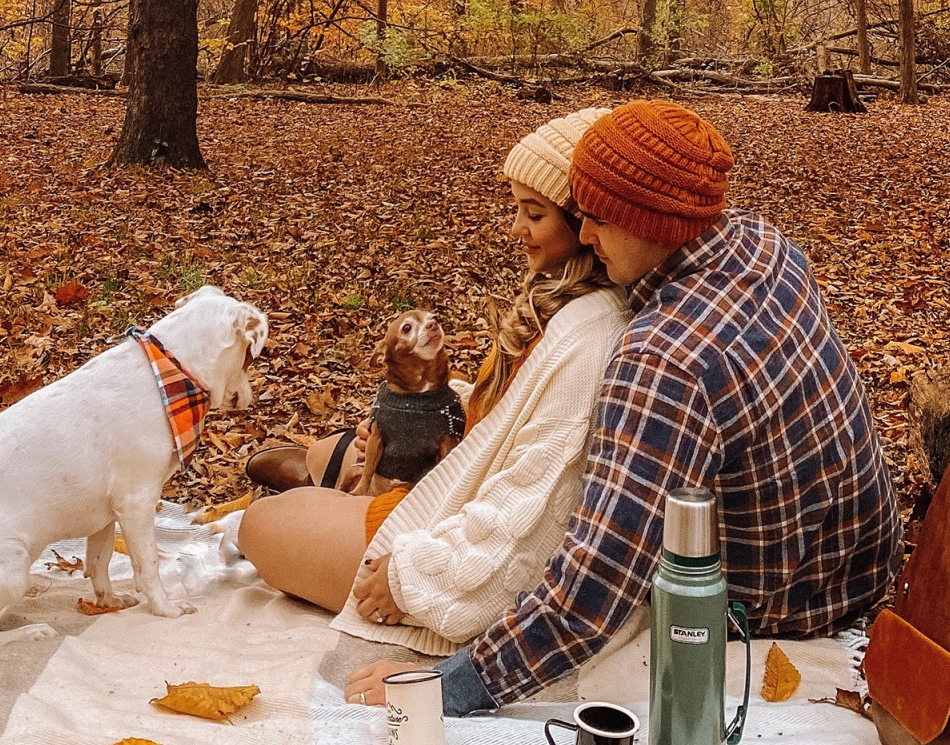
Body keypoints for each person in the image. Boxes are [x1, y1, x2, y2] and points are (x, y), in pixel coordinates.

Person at [345, 100, 903, 715]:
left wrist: (448, 686)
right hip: (859, 564)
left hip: (778, 606)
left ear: (651, 220)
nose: (584, 235)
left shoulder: (665, 356)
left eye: (599, 220)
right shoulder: (762, 246)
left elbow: (593, 589)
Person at [236, 109, 635, 657]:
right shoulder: (563, 299)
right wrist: (455, 400)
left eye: (534, 213)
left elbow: (533, 509)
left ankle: (317, 497)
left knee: (260, 525)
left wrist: (411, 581)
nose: (515, 228)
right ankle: (323, 477)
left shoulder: (588, 336)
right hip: (462, 469)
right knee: (338, 451)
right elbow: (522, 408)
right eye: (515, 208)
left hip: (451, 519)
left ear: (586, 226)